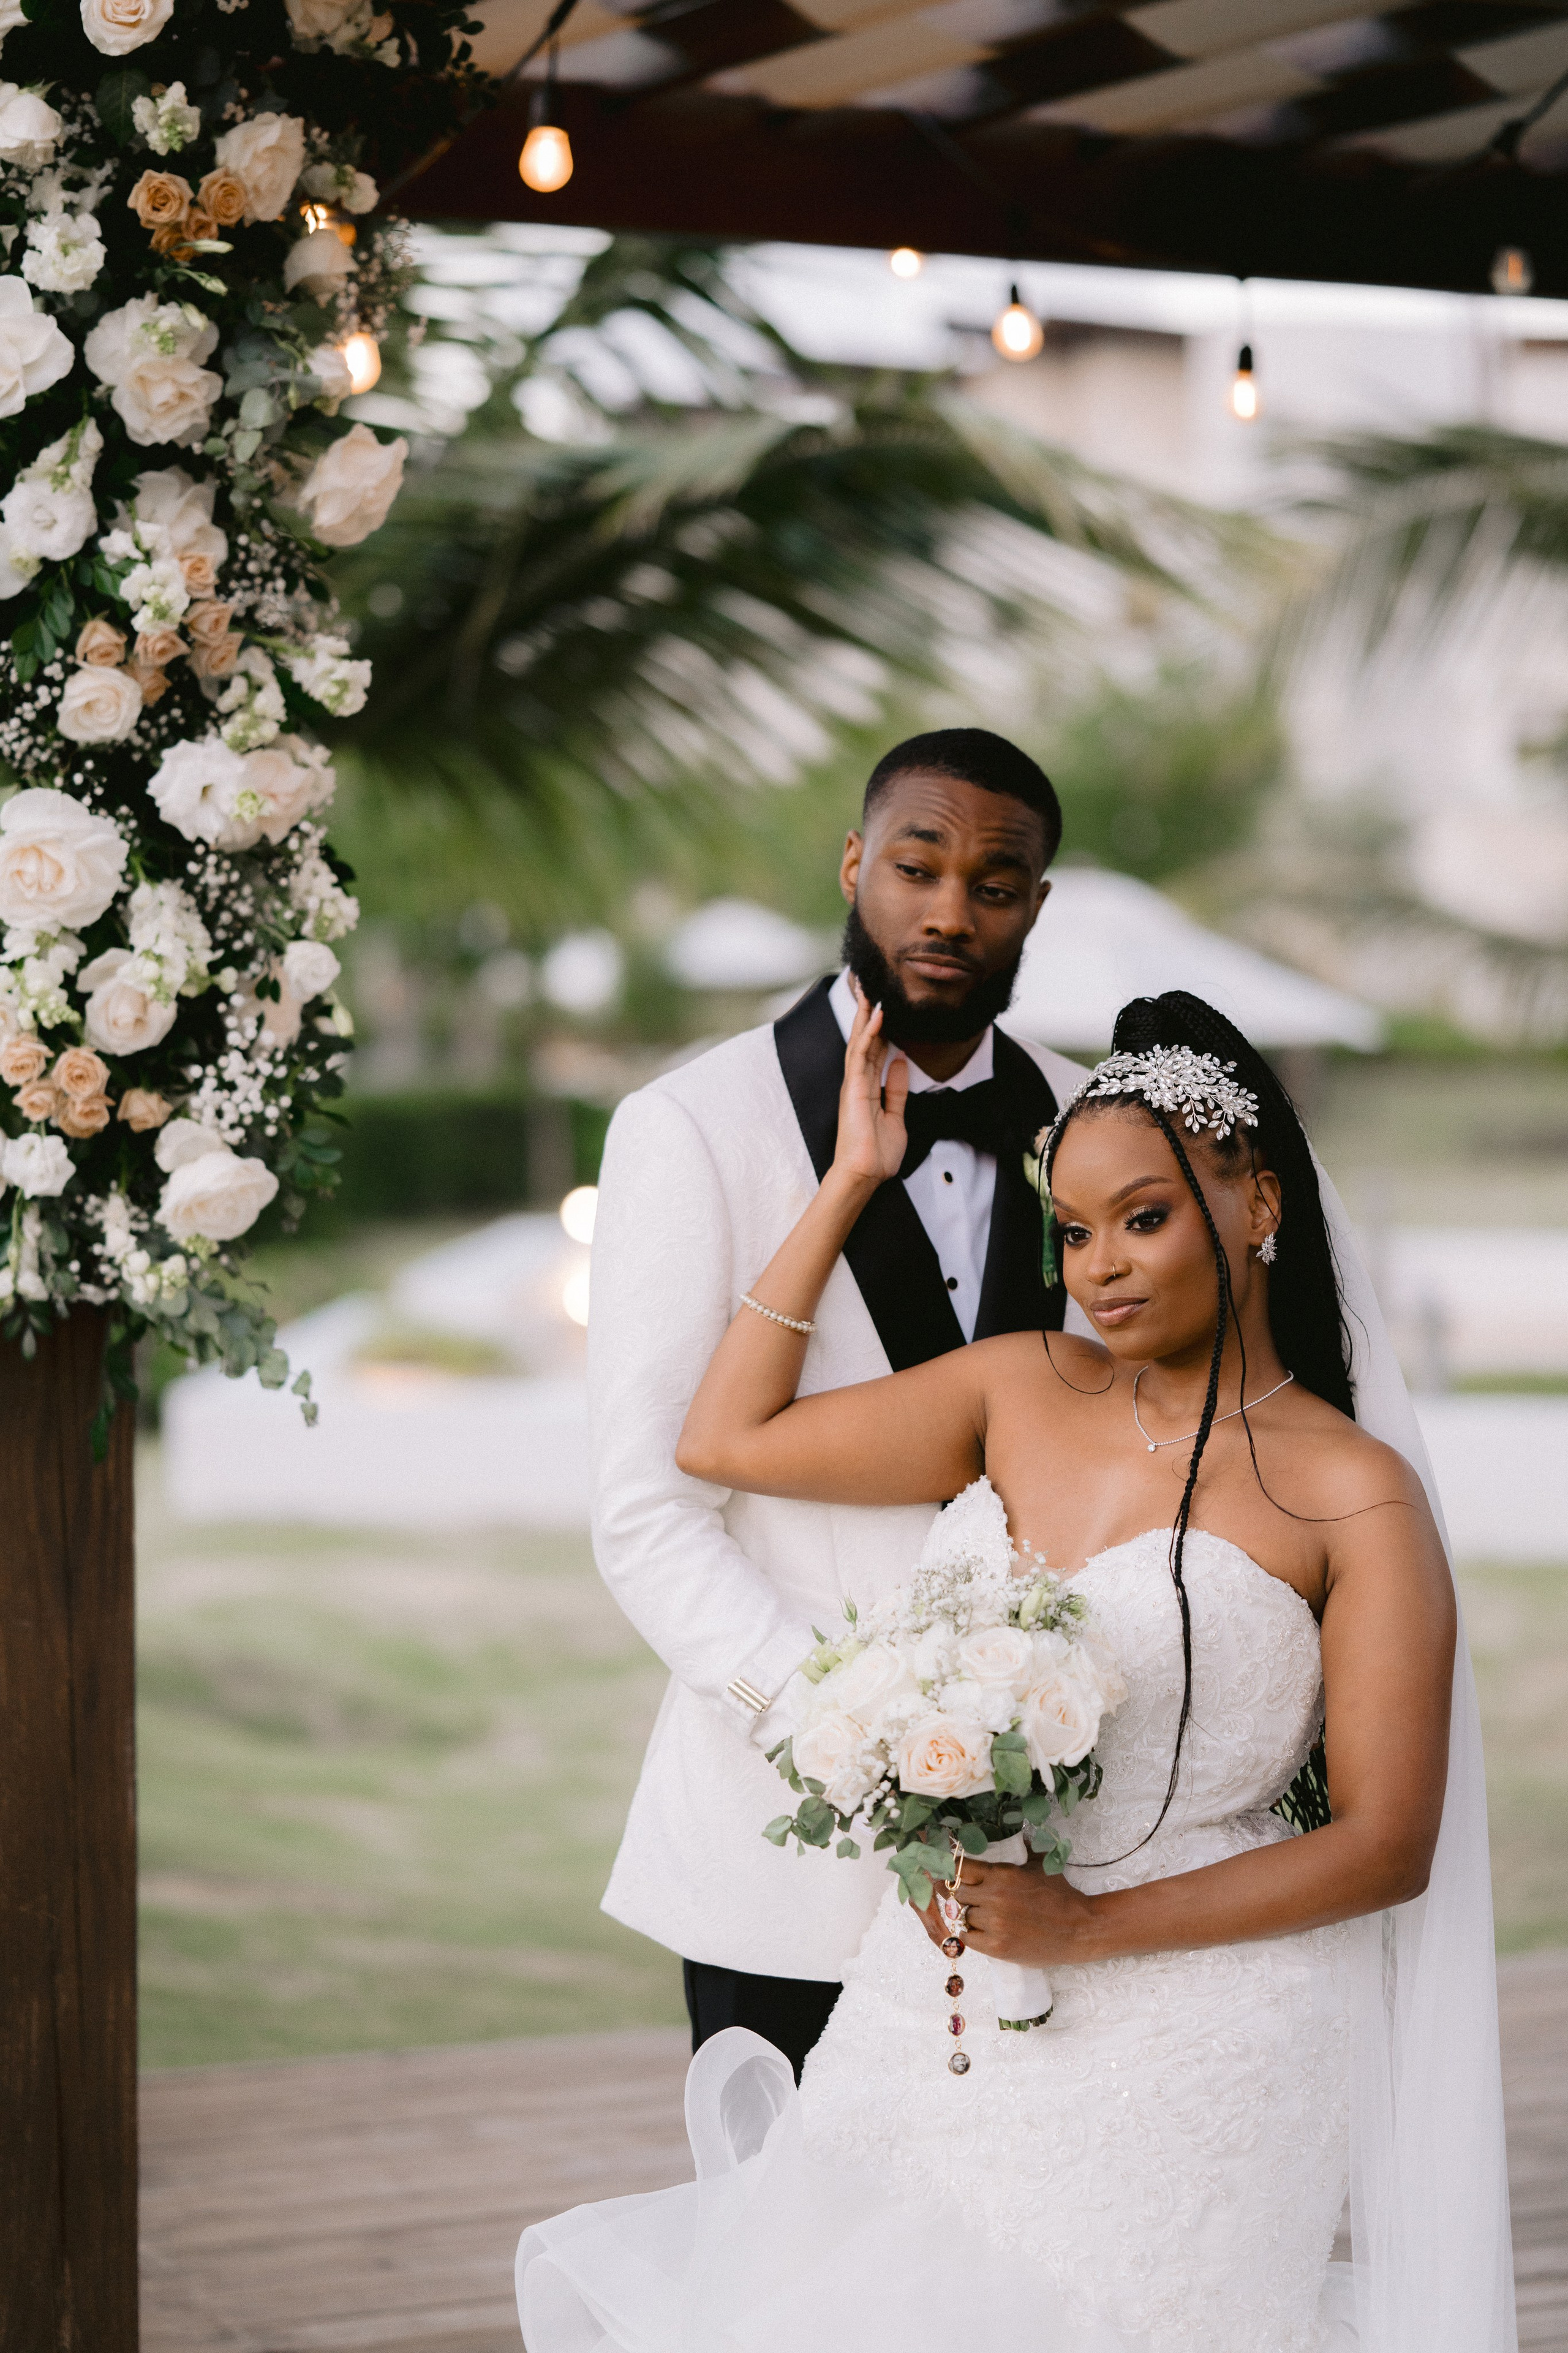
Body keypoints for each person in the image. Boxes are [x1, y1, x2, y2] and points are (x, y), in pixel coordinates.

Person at [520, 991, 1516, 2353]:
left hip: (1201, 2037)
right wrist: (848, 1179)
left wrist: (1088, 1931)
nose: (1098, 1265)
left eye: (1144, 1217)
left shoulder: (1353, 1497)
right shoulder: (1018, 1385)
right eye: (1073, 1228)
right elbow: (722, 1434)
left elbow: (1387, 1842)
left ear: (1258, 1205)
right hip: (931, 2000)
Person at [588, 728, 1087, 2080]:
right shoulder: (691, 1124)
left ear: (1035, 905)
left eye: (995, 883)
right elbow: (645, 1512)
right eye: (916, 866)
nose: (947, 910)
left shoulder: (1088, 1126)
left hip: (1054, 1849)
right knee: (781, 2265)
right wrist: (835, 1729)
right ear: (855, 863)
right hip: (783, 1848)